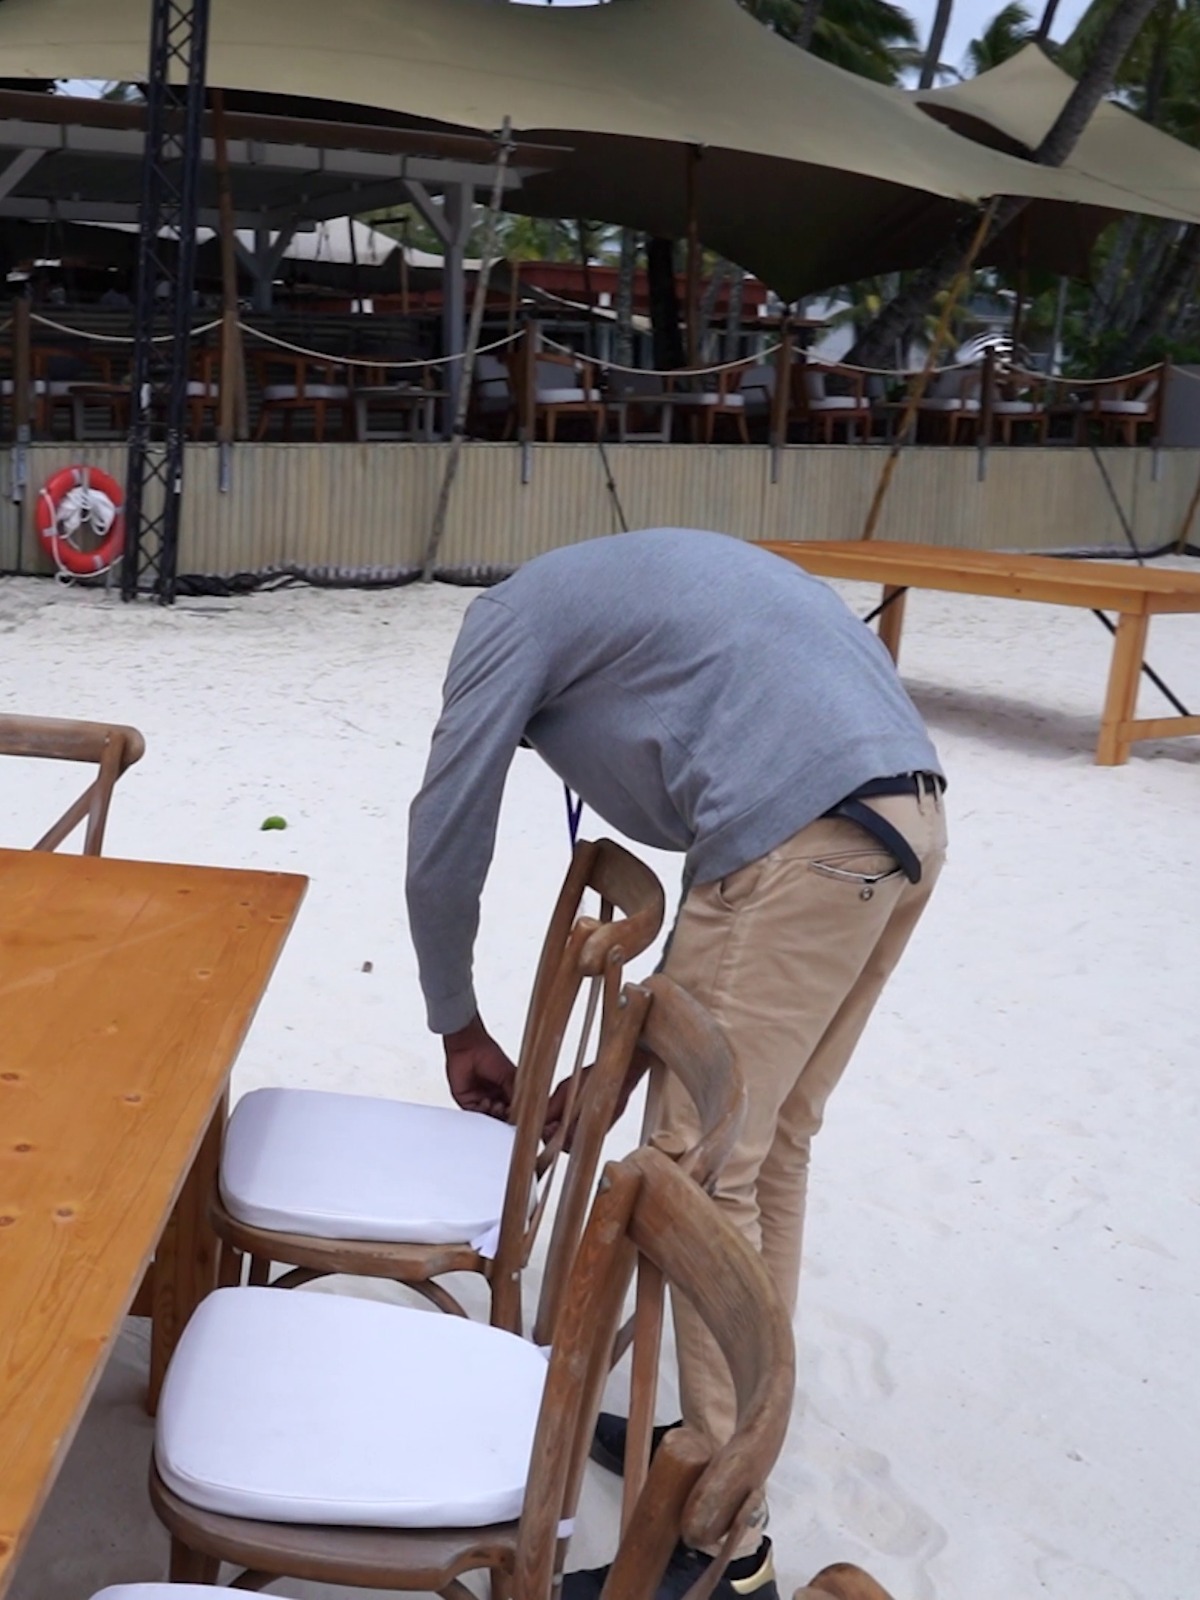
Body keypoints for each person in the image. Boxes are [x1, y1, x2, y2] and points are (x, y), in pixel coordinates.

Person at [406, 527, 947, 1600]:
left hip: (804, 839)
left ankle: (723, 1541)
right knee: (769, 1151)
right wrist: (622, 1050)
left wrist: (457, 1020)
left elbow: (446, 832)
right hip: (904, 817)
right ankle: (726, 1441)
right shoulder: (627, 594)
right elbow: (730, 859)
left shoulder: (503, 625)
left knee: (701, 1174)